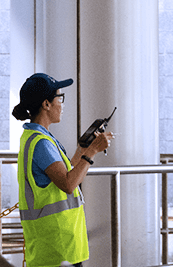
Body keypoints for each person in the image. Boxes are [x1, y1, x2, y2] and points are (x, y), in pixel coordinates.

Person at [12, 73, 113, 267]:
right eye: (60, 97)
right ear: (46, 104)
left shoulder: (37, 137)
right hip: (56, 248)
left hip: (57, 245)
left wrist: (82, 151)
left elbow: (63, 175)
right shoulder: (41, 143)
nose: (63, 103)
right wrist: (92, 151)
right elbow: (68, 184)